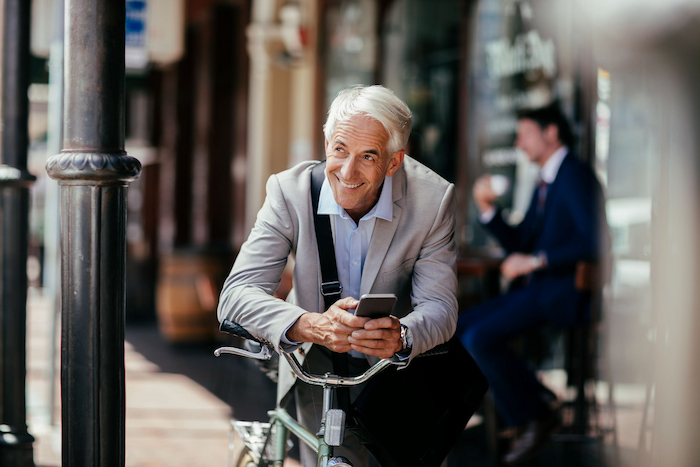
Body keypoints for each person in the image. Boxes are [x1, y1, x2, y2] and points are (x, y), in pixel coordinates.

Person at [217, 85, 458, 466]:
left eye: (368, 156)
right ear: (326, 141)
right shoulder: (288, 191)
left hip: (396, 370)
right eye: (340, 149)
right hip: (313, 358)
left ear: (394, 162)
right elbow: (236, 294)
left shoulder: (432, 199)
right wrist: (309, 325)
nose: (347, 171)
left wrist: (403, 336)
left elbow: (441, 307)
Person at [456, 103, 608, 465]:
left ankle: (533, 415)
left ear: (550, 133)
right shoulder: (546, 180)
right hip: (540, 291)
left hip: (565, 294)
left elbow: (594, 242)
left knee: (479, 338)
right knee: (458, 327)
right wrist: (489, 210)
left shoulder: (575, 175)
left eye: (524, 132)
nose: (519, 141)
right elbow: (522, 243)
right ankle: (533, 402)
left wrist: (537, 261)